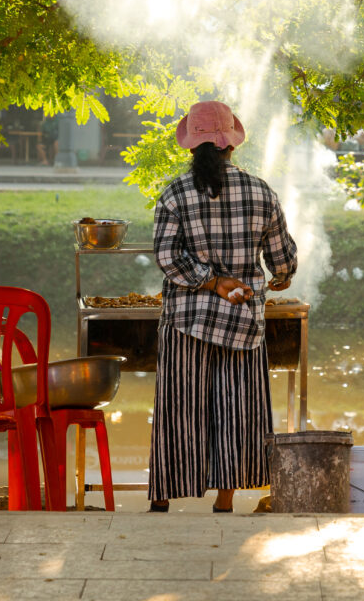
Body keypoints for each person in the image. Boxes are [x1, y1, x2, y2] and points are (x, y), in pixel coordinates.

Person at [148, 100, 298, 514]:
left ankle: (162, 501)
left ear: (192, 147)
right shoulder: (260, 191)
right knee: (235, 411)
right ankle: (224, 502)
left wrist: (209, 282)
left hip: (185, 322)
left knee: (179, 409)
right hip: (243, 323)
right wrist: (281, 275)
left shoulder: (175, 194)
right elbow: (282, 259)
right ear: (232, 145)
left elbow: (166, 257)